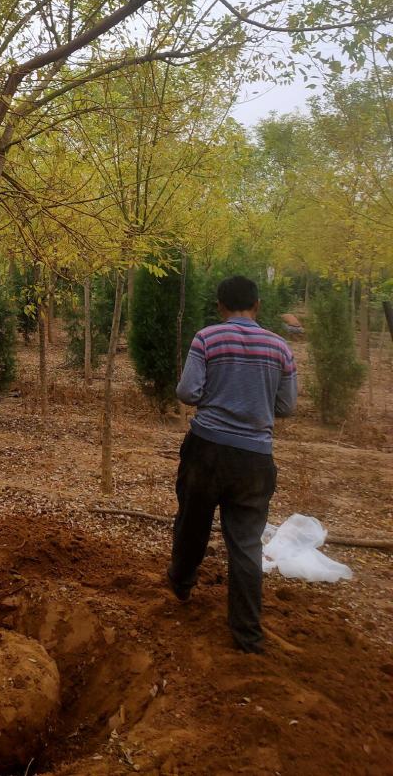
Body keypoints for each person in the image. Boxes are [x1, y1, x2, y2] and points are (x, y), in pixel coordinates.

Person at [167, 275, 297, 653]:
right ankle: (247, 634)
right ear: (256, 305)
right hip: (255, 458)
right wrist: (254, 406)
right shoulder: (280, 347)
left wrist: (220, 398)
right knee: (245, 543)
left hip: (207, 448)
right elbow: (287, 406)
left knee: (193, 522)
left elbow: (187, 392)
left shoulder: (207, 338)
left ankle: (180, 585)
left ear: (221, 307)